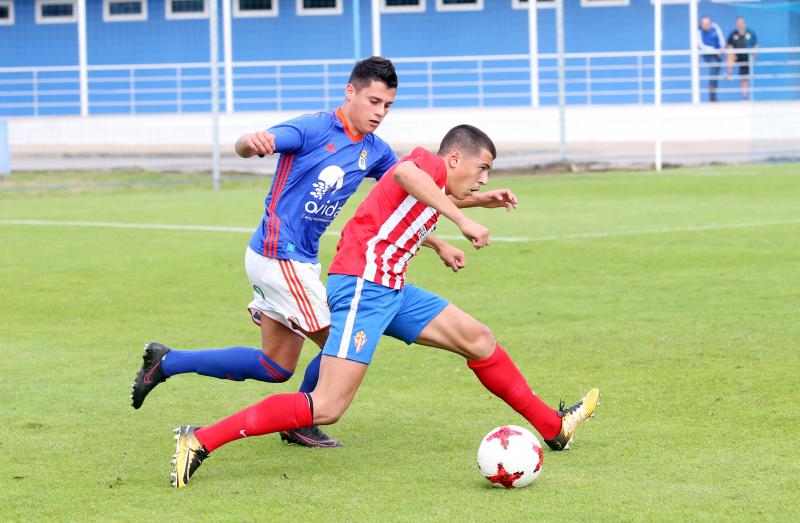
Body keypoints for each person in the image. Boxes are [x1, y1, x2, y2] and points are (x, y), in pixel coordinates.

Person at [168, 124, 600, 488]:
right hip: (361, 287)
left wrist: (473, 204)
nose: (485, 177)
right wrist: (463, 219)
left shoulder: (438, 184)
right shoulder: (425, 164)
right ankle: (200, 439)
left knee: (480, 340)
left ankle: (553, 428)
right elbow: (408, 175)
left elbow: (418, 201)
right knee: (328, 406)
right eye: (481, 168)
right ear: (453, 158)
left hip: (392, 288)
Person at [130, 57, 518, 448]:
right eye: (374, 101)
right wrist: (251, 142)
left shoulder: (375, 150)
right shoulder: (313, 127)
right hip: (278, 255)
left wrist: (457, 221)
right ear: (350, 92)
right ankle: (298, 419)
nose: (380, 112)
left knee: (275, 366)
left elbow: (405, 200)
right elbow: (245, 145)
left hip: (300, 262)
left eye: (387, 105)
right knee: (341, 344)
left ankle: (167, 361)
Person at [726, 17, 759, 100]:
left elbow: (756, 45)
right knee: (730, 54)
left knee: (744, 77)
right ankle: (729, 73)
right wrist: (732, 51)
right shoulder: (733, 34)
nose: (740, 25)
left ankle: (745, 96)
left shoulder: (750, 33)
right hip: (736, 56)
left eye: (742, 23)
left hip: (747, 57)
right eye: (738, 23)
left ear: (744, 23)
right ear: (736, 24)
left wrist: (754, 56)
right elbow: (729, 45)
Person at [699, 16, 726, 102]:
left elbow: (721, 38)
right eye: (703, 24)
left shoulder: (715, 27)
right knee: (713, 71)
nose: (705, 26)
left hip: (718, 53)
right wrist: (716, 51)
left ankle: (713, 95)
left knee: (716, 73)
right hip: (708, 54)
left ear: (710, 23)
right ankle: (712, 96)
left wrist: (722, 48)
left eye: (707, 24)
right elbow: (701, 46)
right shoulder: (698, 32)